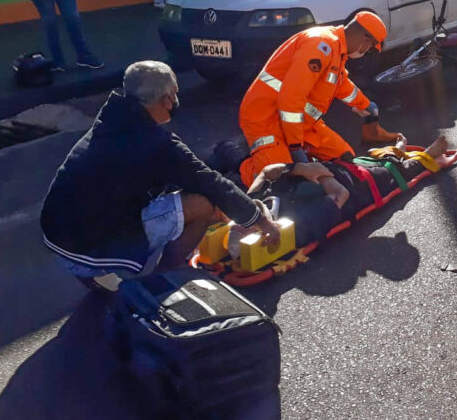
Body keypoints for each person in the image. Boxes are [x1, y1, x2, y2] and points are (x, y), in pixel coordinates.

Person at [41, 61, 280, 291]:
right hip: (86, 250)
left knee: (143, 202)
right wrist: (260, 220)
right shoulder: (157, 144)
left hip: (57, 239)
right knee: (204, 205)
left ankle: (95, 277)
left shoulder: (112, 120)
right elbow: (210, 182)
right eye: (174, 94)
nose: (175, 100)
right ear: (166, 100)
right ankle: (163, 282)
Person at [237, 11, 401, 188]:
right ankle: (244, 168)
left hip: (301, 123)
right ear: (365, 39)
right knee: (281, 181)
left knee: (345, 157)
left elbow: (341, 84)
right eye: (369, 48)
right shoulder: (320, 44)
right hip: (265, 120)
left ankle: (288, 155)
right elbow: (291, 99)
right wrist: (295, 147)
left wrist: (366, 104)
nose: (366, 51)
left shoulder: (336, 50)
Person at [239, 135, 451, 248]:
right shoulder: (298, 226)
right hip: (359, 186)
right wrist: (321, 175)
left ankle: (396, 151)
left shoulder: (253, 208)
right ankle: (425, 156)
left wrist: (300, 168)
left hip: (341, 167)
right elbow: (340, 196)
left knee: (366, 158)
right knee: (394, 170)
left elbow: (267, 171)